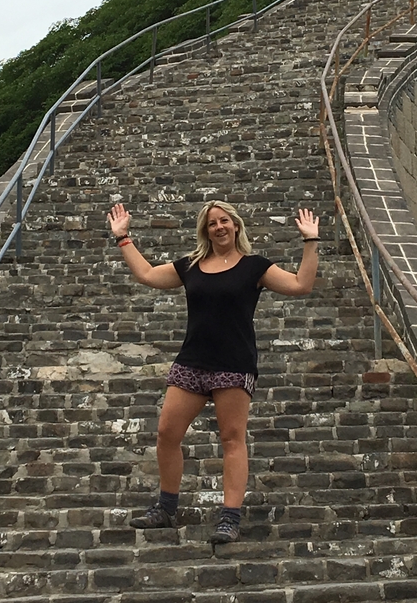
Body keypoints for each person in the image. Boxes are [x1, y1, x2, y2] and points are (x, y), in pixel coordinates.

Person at [108, 199, 320, 544]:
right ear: (205, 231)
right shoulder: (191, 265)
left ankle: (229, 516)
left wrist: (310, 241)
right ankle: (166, 507)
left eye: (224, 221)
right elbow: (147, 275)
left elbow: (301, 285)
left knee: (232, 439)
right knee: (166, 432)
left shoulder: (255, 267)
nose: (219, 227)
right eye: (212, 224)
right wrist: (123, 238)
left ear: (236, 225)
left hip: (233, 364)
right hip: (192, 361)